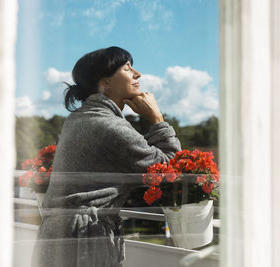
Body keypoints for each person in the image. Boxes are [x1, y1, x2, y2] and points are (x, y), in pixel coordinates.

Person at [31, 46, 181, 267]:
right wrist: (157, 118)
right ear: (106, 82)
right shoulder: (109, 125)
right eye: (127, 68)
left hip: (58, 236)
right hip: (84, 240)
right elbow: (170, 167)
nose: (137, 74)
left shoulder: (78, 117)